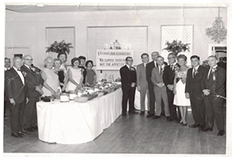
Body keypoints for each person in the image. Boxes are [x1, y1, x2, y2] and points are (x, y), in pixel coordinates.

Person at [5, 57, 29, 138]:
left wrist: (26, 96)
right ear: (13, 62)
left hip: (22, 97)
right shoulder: (9, 72)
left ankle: (19, 130)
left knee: (20, 115)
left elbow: (24, 85)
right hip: (15, 98)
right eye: (17, 62)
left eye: (20, 62)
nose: (19, 63)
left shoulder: (22, 71)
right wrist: (11, 98)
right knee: (14, 115)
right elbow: (8, 86)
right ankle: (14, 132)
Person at [202, 55, 226, 136]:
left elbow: (220, 83)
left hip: (217, 95)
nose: (210, 62)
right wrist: (204, 89)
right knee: (208, 111)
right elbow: (203, 81)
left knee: (218, 112)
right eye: (208, 61)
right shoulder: (206, 70)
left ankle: (221, 129)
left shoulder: (221, 70)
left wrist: (210, 91)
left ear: (216, 61)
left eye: (212, 60)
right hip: (207, 94)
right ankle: (209, 126)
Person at [21, 55, 44, 132]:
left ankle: (33, 124)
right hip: (29, 92)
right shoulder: (22, 69)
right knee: (28, 110)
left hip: (37, 93)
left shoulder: (36, 69)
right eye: (27, 59)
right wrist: (35, 87)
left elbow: (41, 79)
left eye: (31, 59)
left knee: (35, 110)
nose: (29, 61)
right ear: (23, 60)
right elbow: (25, 82)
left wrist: (40, 85)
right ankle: (27, 125)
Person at [185, 55, 207, 131]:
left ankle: (202, 124)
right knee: (194, 108)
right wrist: (187, 91)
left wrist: (204, 91)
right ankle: (197, 122)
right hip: (192, 92)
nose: (194, 62)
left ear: (199, 61)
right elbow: (188, 82)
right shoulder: (189, 70)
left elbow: (205, 82)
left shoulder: (204, 69)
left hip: (200, 93)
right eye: (192, 61)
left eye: (195, 60)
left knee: (201, 109)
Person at [151, 56, 172, 121]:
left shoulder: (167, 68)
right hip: (157, 87)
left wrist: (163, 83)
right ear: (156, 61)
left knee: (166, 101)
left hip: (164, 87)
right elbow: (152, 78)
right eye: (158, 60)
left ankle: (167, 114)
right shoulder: (154, 69)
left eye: (161, 60)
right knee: (157, 101)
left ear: (163, 60)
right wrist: (157, 84)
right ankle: (157, 114)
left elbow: (168, 77)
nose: (159, 62)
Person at [173, 54, 190, 126]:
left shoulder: (188, 69)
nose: (180, 62)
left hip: (185, 86)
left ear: (185, 61)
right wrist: (174, 88)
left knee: (184, 103)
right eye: (179, 60)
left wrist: (185, 79)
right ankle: (182, 119)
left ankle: (184, 119)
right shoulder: (177, 69)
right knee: (179, 103)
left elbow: (190, 79)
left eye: (182, 60)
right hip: (179, 86)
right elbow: (174, 79)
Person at [163, 53, 180, 122]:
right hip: (169, 87)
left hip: (177, 87)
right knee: (170, 102)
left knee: (178, 102)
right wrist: (168, 85)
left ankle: (180, 117)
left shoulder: (179, 66)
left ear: (175, 58)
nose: (170, 59)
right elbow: (164, 77)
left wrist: (174, 85)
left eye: (171, 58)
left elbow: (180, 77)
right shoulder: (166, 67)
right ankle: (173, 116)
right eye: (168, 58)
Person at [146, 51, 159, 118]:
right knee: (152, 99)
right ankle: (151, 112)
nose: (154, 57)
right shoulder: (148, 65)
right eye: (153, 55)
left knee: (161, 99)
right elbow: (148, 76)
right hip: (152, 85)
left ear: (158, 55)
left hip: (161, 85)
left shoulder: (164, 63)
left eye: (156, 55)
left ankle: (161, 112)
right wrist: (154, 83)